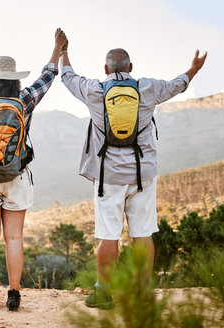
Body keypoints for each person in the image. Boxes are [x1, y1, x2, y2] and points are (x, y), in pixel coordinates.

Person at [58, 30, 207, 309]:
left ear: (105, 69)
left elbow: (67, 76)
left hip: (108, 177)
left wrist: (63, 50)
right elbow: (178, 84)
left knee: (108, 236)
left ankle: (103, 293)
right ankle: (141, 292)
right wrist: (194, 69)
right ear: (131, 68)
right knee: (143, 234)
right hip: (143, 175)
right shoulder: (147, 87)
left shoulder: (93, 89)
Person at [0, 27, 64, 311]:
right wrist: (58, 48)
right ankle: (15, 294)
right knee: (14, 237)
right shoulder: (25, 100)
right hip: (17, 175)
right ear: (15, 80)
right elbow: (48, 75)